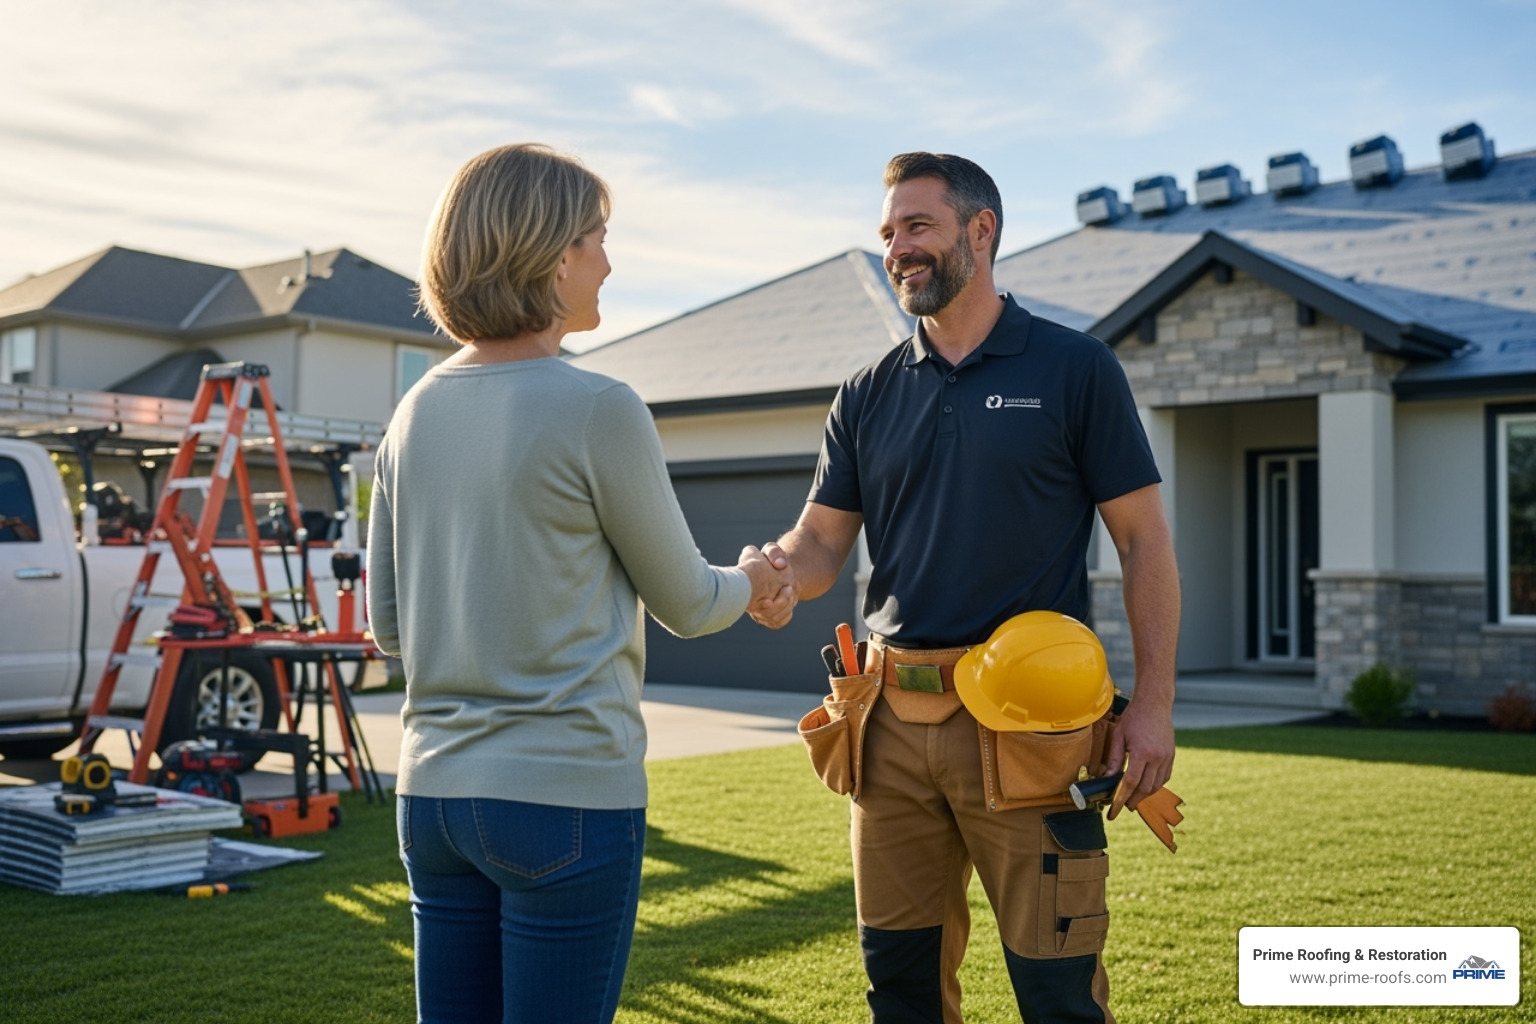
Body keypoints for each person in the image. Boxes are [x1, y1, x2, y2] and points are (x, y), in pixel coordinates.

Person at [366, 143, 793, 1024]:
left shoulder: (412, 415)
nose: (609, 260)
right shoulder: (599, 407)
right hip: (562, 805)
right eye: (598, 239)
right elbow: (687, 602)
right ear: (555, 256)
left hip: (433, 803)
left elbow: (388, 628)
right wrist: (752, 579)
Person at [751, 152, 1181, 1024]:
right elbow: (824, 541)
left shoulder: (1074, 368)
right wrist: (779, 573)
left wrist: (1155, 705)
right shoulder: (867, 392)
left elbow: (1143, 542)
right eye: (887, 234)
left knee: (1058, 995)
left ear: (981, 232)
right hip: (890, 728)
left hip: (1032, 733)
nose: (897, 249)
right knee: (901, 990)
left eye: (918, 227)